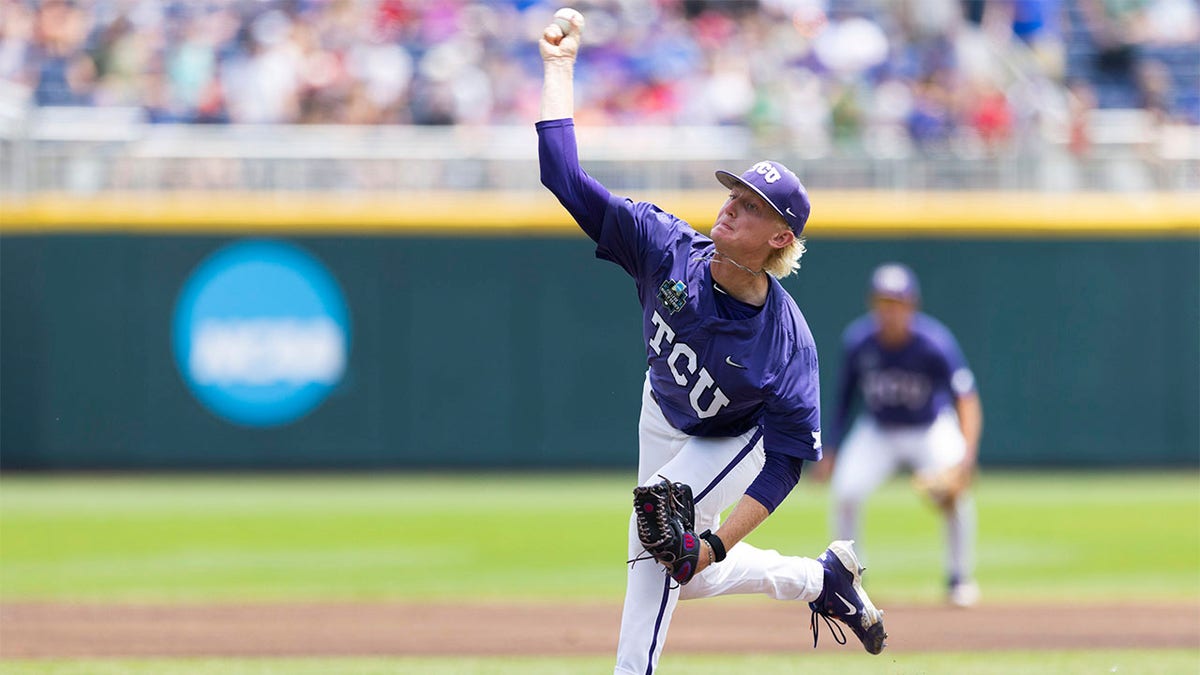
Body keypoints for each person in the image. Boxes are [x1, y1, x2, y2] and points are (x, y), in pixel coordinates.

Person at [536, 9, 887, 674]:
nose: (731, 203)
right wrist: (559, 68)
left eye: (752, 205)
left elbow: (786, 462)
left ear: (781, 238)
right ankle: (821, 579)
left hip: (734, 437)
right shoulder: (664, 245)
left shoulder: (786, 348)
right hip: (661, 409)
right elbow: (563, 177)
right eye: (735, 192)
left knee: (653, 548)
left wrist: (719, 542)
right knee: (682, 574)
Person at [812, 262, 984, 607]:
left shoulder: (933, 343)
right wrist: (829, 448)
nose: (890, 310)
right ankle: (847, 579)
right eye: (883, 301)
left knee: (955, 496)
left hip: (929, 428)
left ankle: (958, 578)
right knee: (846, 492)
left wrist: (965, 458)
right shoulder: (860, 341)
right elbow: (844, 398)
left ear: (911, 305)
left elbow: (966, 398)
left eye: (897, 302)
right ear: (873, 304)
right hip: (879, 430)